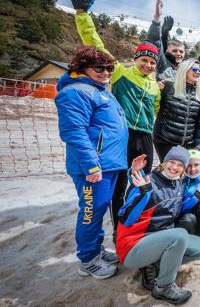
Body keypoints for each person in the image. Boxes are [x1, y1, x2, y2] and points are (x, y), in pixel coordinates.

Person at [68, 0, 161, 235]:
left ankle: (137, 224)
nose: (148, 65)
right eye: (144, 60)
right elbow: (95, 44)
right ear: (136, 58)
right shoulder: (119, 72)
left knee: (143, 182)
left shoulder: (154, 85)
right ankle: (119, 230)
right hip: (123, 135)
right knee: (121, 186)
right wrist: (82, 14)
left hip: (144, 136)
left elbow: (155, 109)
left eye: (152, 63)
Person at [55, 46, 129, 279]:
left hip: (108, 163)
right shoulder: (76, 92)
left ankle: (96, 250)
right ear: (81, 67)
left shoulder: (98, 90)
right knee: (90, 210)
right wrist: (91, 165)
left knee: (99, 208)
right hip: (94, 167)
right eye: (99, 68)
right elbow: (73, 132)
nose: (106, 72)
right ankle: (87, 260)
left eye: (109, 68)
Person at [116, 147, 200, 304]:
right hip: (133, 245)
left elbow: (174, 209)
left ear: (184, 168)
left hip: (158, 240)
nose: (174, 167)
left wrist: (196, 198)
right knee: (179, 235)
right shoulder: (147, 181)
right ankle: (164, 287)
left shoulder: (178, 184)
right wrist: (143, 193)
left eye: (180, 165)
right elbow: (125, 219)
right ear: (164, 162)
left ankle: (154, 265)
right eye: (171, 162)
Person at [153, 59, 200, 161]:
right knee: (169, 172)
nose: (197, 72)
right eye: (194, 69)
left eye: (199, 70)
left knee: (180, 174)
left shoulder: (198, 94)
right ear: (185, 70)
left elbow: (195, 121)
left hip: (186, 144)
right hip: (165, 141)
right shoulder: (168, 86)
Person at [146, 0, 184, 82]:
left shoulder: (187, 69)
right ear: (167, 51)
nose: (178, 53)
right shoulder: (163, 64)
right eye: (174, 51)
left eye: (181, 51)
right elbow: (154, 42)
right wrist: (157, 19)